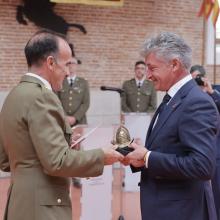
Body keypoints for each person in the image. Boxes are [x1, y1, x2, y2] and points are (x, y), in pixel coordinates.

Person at [0, 30, 123, 220]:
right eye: (66, 64)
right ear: (50, 62)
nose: (67, 71)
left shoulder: (15, 95)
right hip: (42, 206)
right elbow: (56, 162)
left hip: (20, 202)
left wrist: (61, 144)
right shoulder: (42, 97)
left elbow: (5, 160)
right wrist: (101, 156)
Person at [122, 32, 219, 220]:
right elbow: (169, 149)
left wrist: (148, 157)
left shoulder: (196, 102)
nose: (148, 75)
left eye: (152, 68)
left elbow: (202, 165)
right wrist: (141, 158)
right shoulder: (173, 98)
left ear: (174, 64)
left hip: (182, 211)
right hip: (166, 207)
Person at [57, 43, 89, 188]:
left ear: (77, 66)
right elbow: (55, 99)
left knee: (78, 150)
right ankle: (64, 177)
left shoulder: (83, 83)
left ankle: (77, 177)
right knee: (63, 148)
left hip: (79, 121)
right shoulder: (60, 81)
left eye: (73, 64)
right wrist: (63, 117)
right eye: (68, 63)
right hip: (62, 122)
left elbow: (85, 103)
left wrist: (75, 117)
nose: (71, 66)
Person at [190, 64, 220, 219]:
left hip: (216, 153)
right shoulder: (189, 94)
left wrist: (211, 92)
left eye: (199, 77)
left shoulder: (215, 90)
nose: (198, 81)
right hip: (196, 154)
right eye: (194, 78)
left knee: (216, 193)